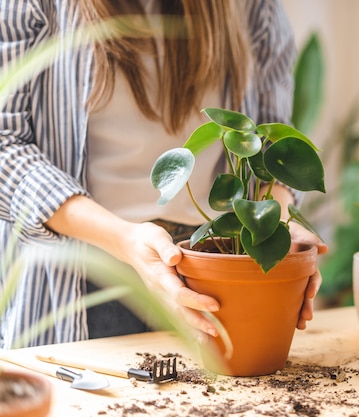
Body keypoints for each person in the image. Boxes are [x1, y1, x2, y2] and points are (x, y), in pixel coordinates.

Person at [0, 0, 327, 349]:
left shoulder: (250, 6)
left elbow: (270, 145)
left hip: (214, 265)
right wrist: (124, 240)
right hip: (84, 272)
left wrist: (278, 226)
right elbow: (6, 146)